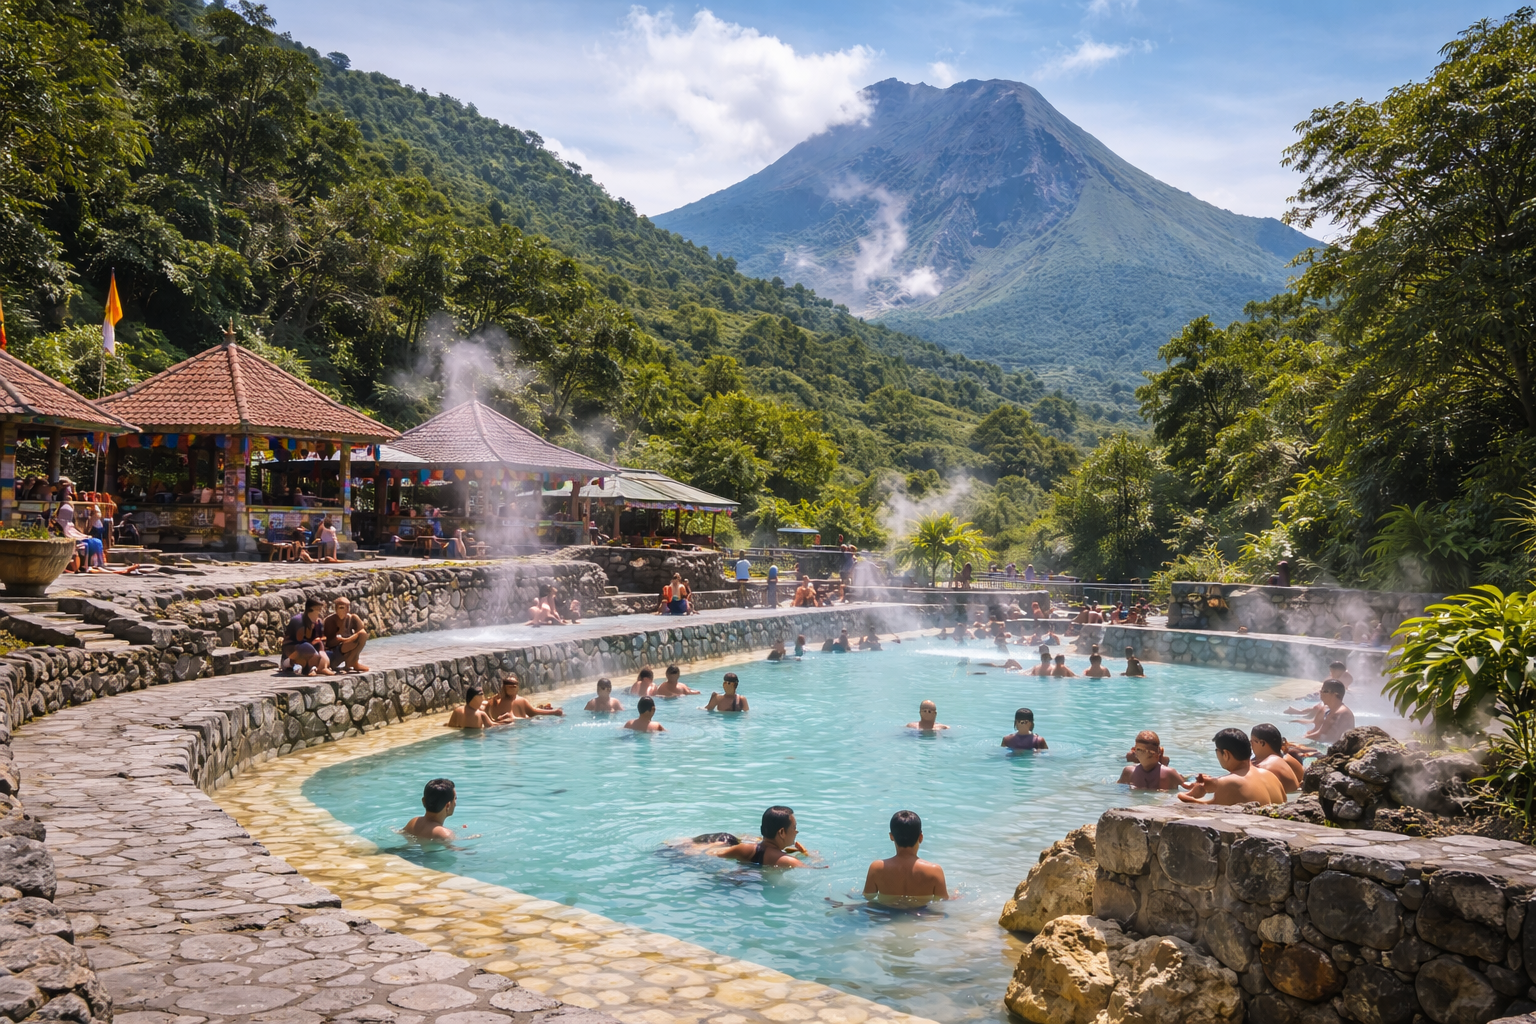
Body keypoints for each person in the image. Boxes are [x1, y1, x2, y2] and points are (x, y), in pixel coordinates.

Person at [1178, 728, 1286, 805]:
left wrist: (1189, 794)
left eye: (1217, 751)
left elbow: (1200, 807)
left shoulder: (1229, 783)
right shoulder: (1271, 776)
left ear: (1226, 754)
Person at [862, 810, 949, 901]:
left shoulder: (877, 868)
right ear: (920, 837)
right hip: (921, 913)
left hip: (887, 913)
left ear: (891, 836)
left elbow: (867, 897)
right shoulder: (934, 871)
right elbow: (942, 902)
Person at [712, 806, 803, 868]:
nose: (796, 831)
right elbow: (814, 870)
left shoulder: (744, 848)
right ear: (782, 832)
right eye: (794, 827)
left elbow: (712, 855)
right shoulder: (789, 861)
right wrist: (811, 856)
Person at [1117, 730, 1185, 791]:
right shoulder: (1128, 772)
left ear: (1158, 752)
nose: (1145, 754)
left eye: (1150, 752)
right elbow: (1118, 790)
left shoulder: (1169, 773)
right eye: (1139, 750)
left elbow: (1188, 789)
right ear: (1134, 751)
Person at [281, 597, 333, 676]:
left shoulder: (318, 622)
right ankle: (303, 667)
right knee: (308, 648)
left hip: (309, 649)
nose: (320, 612)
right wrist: (312, 643)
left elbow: (319, 640)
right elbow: (299, 641)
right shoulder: (298, 621)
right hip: (292, 653)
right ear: (311, 609)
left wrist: (323, 656)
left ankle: (319, 667)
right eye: (318, 609)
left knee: (322, 655)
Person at [1250, 723, 1304, 793]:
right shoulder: (1286, 759)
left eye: (1252, 741)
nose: (1251, 745)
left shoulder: (1284, 761)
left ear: (1262, 743)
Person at [322, 596, 370, 672]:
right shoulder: (330, 620)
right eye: (342, 608)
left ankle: (352, 662)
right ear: (336, 609)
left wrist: (346, 639)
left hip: (347, 649)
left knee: (363, 635)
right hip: (334, 654)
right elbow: (329, 643)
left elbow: (362, 632)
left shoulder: (352, 618)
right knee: (359, 637)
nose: (346, 610)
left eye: (348, 607)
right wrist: (345, 640)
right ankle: (351, 663)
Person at [486, 673, 565, 720]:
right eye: (509, 683)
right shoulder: (495, 701)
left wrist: (554, 712)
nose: (512, 686)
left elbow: (533, 712)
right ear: (504, 686)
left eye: (514, 684)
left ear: (517, 687)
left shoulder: (521, 701)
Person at [1304, 679, 1355, 747]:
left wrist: (1298, 740)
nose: (1321, 693)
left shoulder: (1339, 713)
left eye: (1325, 691)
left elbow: (1321, 736)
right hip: (1331, 747)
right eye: (1321, 690)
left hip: (1338, 751)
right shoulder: (1331, 711)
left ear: (1336, 694)